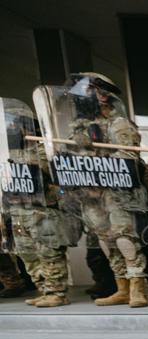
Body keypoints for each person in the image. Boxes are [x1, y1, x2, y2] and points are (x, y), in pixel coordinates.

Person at [64, 72, 148, 307]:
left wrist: (96, 157)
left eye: (87, 92)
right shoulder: (79, 128)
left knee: (125, 238)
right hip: (92, 195)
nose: (80, 98)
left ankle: (136, 287)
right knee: (106, 240)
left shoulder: (119, 124)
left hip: (118, 193)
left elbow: (127, 157)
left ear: (102, 96)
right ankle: (121, 286)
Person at [2, 98, 77, 307]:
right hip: (18, 212)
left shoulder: (43, 150)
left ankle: (57, 292)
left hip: (42, 211)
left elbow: (49, 176)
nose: (9, 128)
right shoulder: (8, 152)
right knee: (27, 253)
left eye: (13, 123)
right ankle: (43, 289)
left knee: (49, 251)